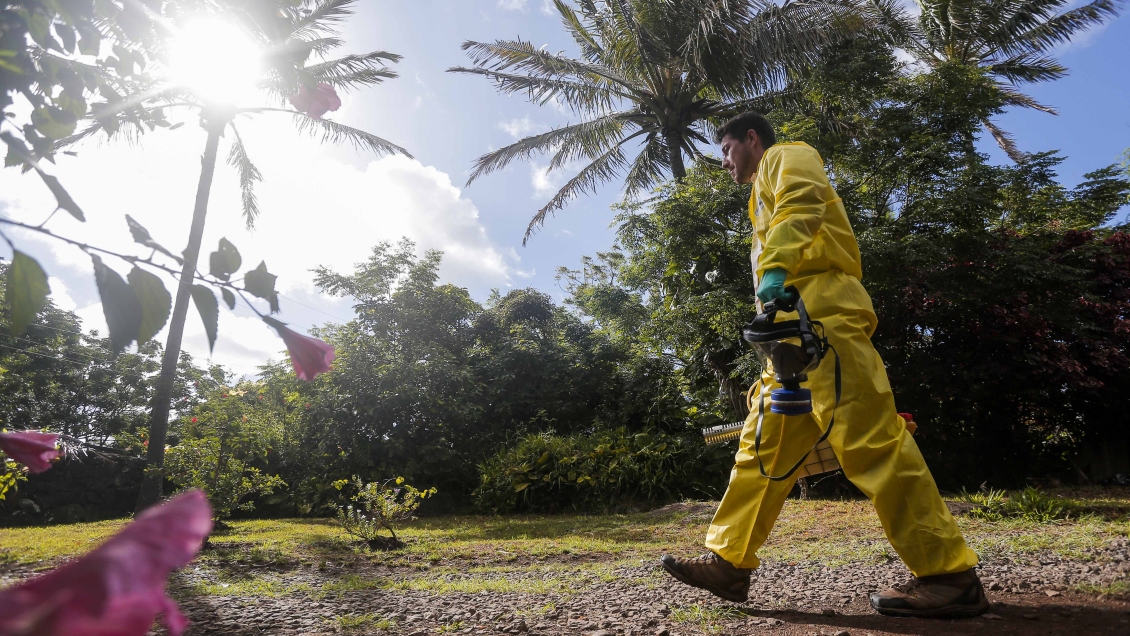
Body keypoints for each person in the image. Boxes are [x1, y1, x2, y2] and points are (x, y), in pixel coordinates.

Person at [659, 112, 989, 619]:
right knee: (760, 449)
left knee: (873, 444)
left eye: (726, 149)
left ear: (751, 139)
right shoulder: (756, 194)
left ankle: (949, 575)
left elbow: (802, 204)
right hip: (791, 336)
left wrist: (773, 269)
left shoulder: (786, 155)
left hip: (824, 321)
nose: (724, 162)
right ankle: (728, 563)